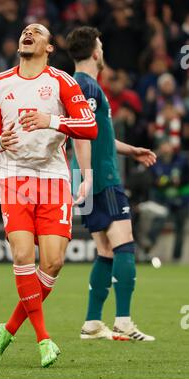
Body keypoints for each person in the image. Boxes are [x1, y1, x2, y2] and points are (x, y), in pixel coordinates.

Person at [0, 23, 98, 367]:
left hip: (52, 174)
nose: (27, 33)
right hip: (14, 174)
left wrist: (51, 120)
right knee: (22, 255)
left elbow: (88, 126)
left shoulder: (62, 82)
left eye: (37, 31)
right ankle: (44, 340)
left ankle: (7, 329)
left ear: (50, 47)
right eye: (24, 31)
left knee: (53, 262)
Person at [66, 26, 157, 341]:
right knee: (124, 243)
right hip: (99, 175)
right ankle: (123, 321)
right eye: (101, 46)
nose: (102, 51)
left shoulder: (77, 86)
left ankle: (92, 323)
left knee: (105, 249)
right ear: (94, 52)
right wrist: (92, 174)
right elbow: (81, 133)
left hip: (85, 175)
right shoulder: (87, 87)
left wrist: (130, 150)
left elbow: (94, 132)